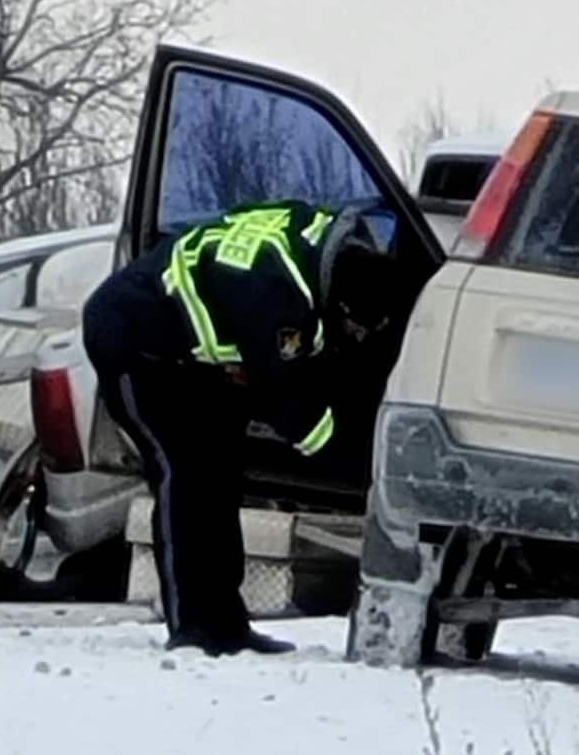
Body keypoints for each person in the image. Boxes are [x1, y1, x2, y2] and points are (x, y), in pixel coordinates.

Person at [82, 200, 401, 656]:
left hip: (201, 357)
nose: (353, 337)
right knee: (185, 475)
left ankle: (227, 625)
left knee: (222, 476)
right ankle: (192, 626)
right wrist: (365, 468)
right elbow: (293, 411)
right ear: (341, 301)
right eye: (353, 326)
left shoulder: (323, 239)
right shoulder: (281, 299)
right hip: (135, 343)